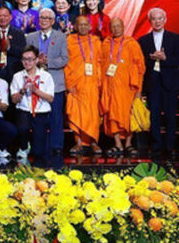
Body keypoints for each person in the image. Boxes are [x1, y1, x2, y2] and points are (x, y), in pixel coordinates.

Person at [99, 17, 145, 158]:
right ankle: (118, 144)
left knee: (128, 115)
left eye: (118, 26)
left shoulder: (132, 44)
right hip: (109, 86)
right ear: (110, 29)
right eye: (113, 27)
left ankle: (128, 144)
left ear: (123, 27)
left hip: (128, 87)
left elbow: (140, 68)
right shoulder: (105, 44)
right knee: (112, 115)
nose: (116, 29)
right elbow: (100, 65)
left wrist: (139, 90)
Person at [26, 9, 70, 156]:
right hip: (35, 82)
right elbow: (25, 58)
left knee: (56, 117)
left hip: (55, 83)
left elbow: (64, 59)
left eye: (47, 18)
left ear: (52, 21)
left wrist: (47, 62)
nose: (44, 20)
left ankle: (56, 146)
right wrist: (36, 62)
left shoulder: (61, 37)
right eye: (41, 18)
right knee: (38, 118)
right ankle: (38, 147)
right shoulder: (30, 37)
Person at [138, 8, 179, 159]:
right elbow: (140, 63)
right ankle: (155, 147)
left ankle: (169, 147)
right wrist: (151, 58)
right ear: (150, 21)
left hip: (170, 83)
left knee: (170, 117)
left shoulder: (175, 38)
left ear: (165, 20)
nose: (157, 21)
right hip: (153, 83)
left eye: (160, 18)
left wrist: (165, 58)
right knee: (154, 117)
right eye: (154, 19)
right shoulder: (143, 40)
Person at [65, 15, 102, 155]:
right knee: (76, 113)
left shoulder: (96, 41)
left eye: (86, 24)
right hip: (76, 83)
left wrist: (100, 82)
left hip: (92, 83)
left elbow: (100, 62)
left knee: (92, 113)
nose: (83, 27)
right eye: (80, 24)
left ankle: (93, 142)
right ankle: (78, 143)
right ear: (75, 26)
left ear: (90, 26)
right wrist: (69, 84)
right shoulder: (70, 41)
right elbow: (66, 64)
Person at [10, 46, 55, 161]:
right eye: (24, 59)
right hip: (24, 110)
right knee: (23, 128)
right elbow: (14, 100)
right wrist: (22, 91)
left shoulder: (46, 76)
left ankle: (34, 148)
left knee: (38, 152)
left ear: (36, 60)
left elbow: (50, 98)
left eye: (30, 59)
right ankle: (24, 147)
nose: (27, 62)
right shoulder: (17, 76)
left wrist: (36, 91)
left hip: (41, 112)